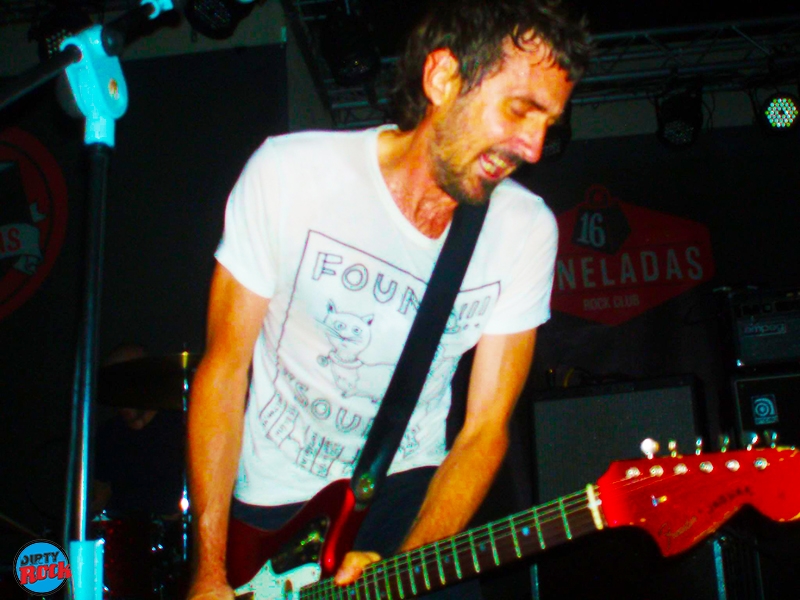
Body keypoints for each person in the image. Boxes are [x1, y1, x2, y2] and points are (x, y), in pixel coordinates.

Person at [187, 0, 592, 598]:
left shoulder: (524, 230)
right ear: (442, 77)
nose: (534, 147)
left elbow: (484, 428)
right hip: (271, 505)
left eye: (548, 124)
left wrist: (410, 569)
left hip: (407, 488)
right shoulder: (290, 174)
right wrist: (209, 570)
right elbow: (224, 370)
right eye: (519, 109)